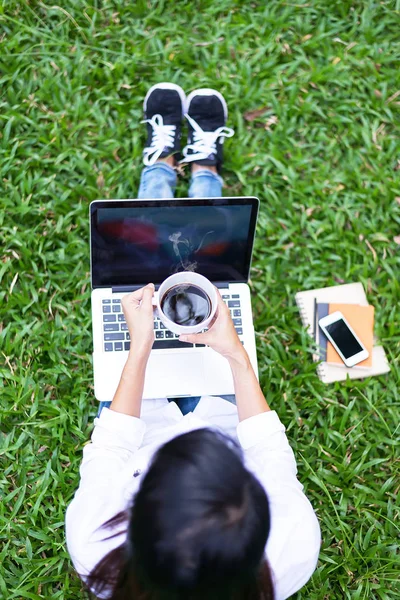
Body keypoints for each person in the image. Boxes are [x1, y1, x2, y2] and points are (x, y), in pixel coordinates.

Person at [65, 83, 321, 600]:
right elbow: (269, 452)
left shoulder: (96, 546)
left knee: (146, 254)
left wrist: (139, 349)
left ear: (133, 523)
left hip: (136, 416)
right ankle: (205, 171)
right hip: (227, 399)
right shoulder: (292, 555)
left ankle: (159, 162)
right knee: (203, 256)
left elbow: (114, 444)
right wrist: (234, 355)